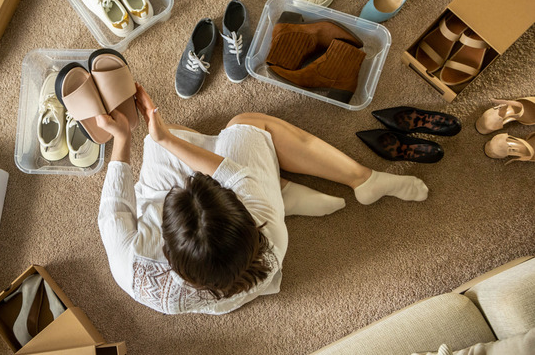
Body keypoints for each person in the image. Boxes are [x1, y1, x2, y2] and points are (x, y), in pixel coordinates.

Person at [96, 84, 428, 315]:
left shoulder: (130, 267)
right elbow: (231, 173)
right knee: (245, 124)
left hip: (225, 289)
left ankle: (285, 191)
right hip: (257, 256)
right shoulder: (265, 227)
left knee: (162, 142)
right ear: (246, 219)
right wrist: (165, 138)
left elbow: (116, 205)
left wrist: (123, 138)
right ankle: (361, 179)